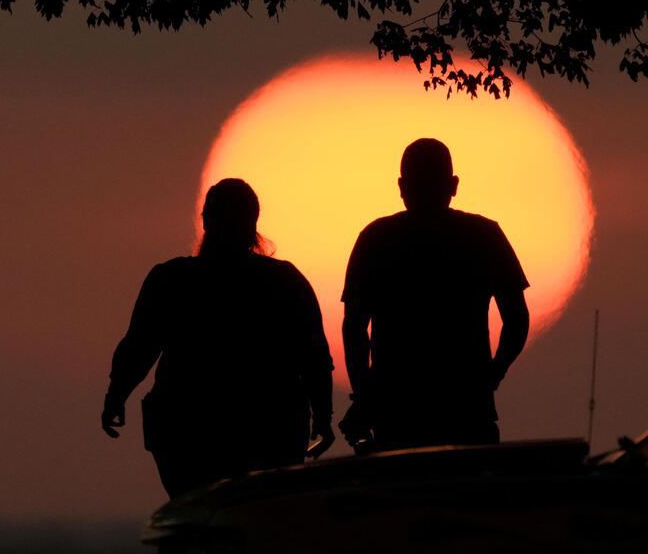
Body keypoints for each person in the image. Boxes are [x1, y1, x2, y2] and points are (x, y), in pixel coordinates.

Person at [101, 178, 335, 498]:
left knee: (199, 517)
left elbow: (139, 346)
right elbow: (314, 357)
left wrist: (116, 395)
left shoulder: (171, 280)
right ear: (253, 222)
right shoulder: (285, 281)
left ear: (205, 220)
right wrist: (323, 415)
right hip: (269, 431)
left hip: (189, 435)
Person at [340, 138, 530, 452]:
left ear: (401, 186)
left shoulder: (375, 238)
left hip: (397, 411)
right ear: (453, 185)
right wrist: (493, 372)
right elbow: (517, 319)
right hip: (468, 408)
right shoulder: (484, 236)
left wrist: (364, 394)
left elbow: (354, 327)